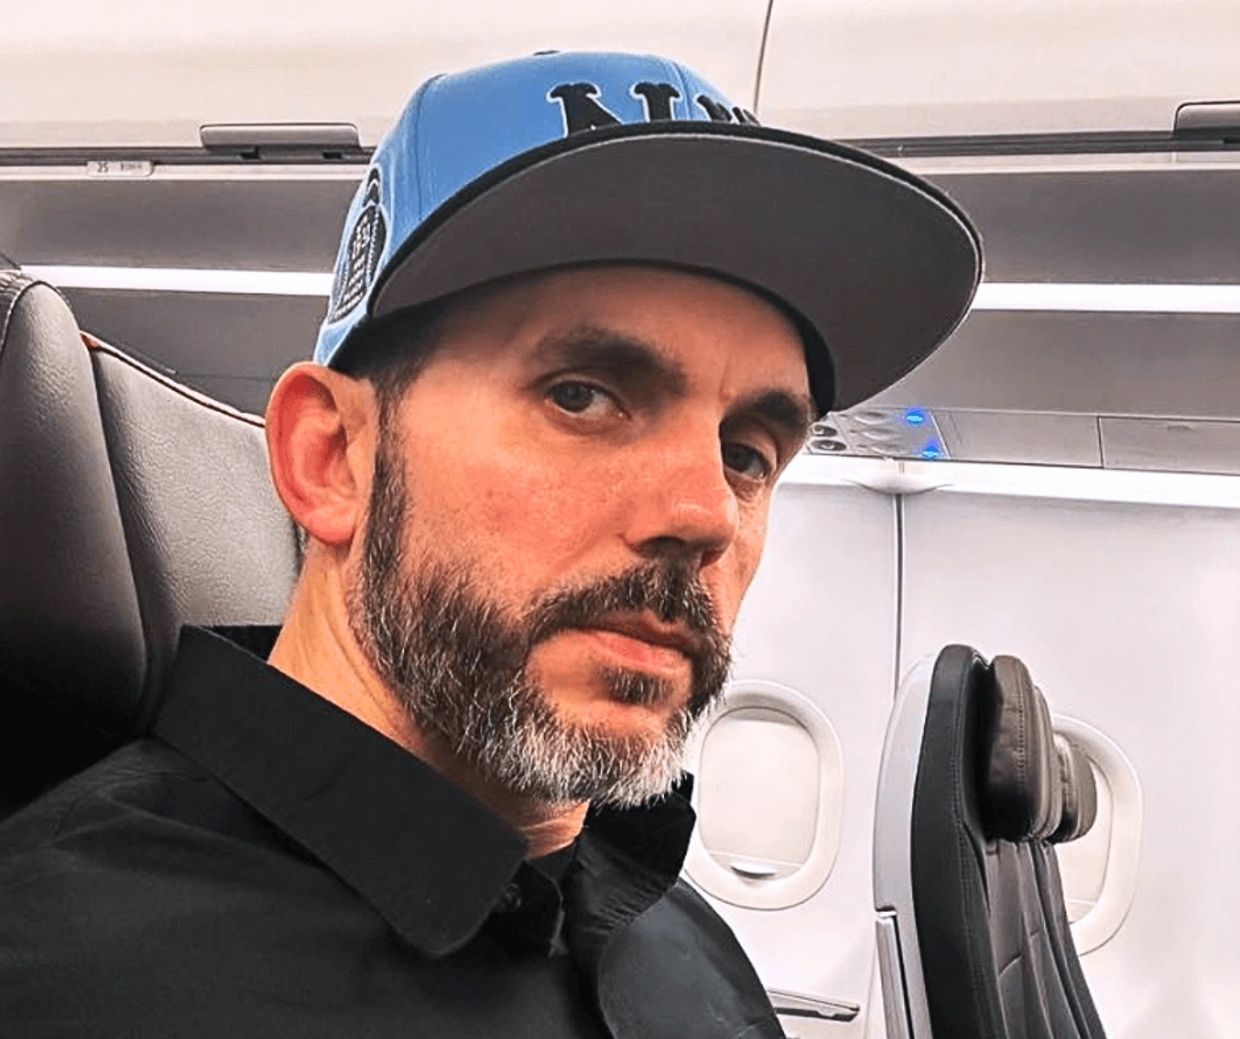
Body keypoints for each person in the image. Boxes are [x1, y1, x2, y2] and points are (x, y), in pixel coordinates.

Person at [0, 51, 979, 1037]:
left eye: (747, 451)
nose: (706, 514)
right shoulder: (66, 971)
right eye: (583, 396)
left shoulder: (680, 934)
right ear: (332, 457)